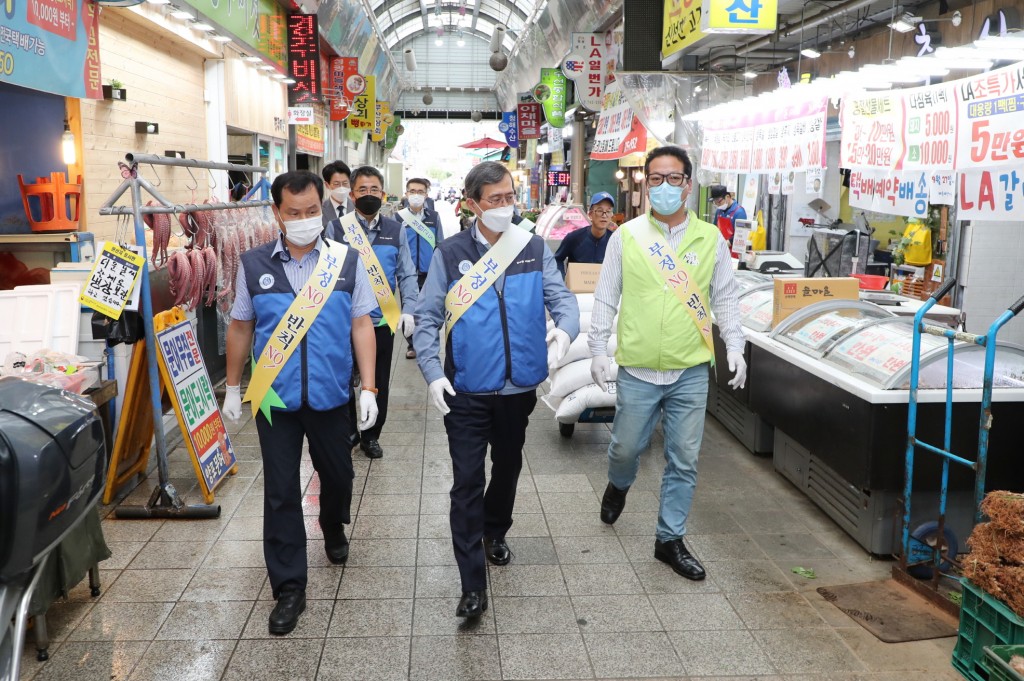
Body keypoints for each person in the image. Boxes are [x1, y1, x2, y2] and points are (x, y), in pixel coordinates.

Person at [413, 161, 579, 619]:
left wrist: (565, 328)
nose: (506, 207)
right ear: (472, 205)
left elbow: (560, 298)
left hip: (518, 386)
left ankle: (496, 529)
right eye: (495, 200)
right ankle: (471, 585)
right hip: (464, 389)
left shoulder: (532, 247)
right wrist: (432, 372)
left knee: (506, 465)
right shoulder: (448, 254)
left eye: (510, 197)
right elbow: (427, 317)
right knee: (467, 480)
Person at [221, 170, 379, 635]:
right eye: (295, 213)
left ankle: (332, 525)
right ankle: (289, 587)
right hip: (275, 401)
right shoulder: (252, 265)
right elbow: (240, 327)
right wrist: (233, 387)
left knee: (339, 476)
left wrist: (368, 386)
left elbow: (362, 325)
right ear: (277, 213)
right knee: (282, 492)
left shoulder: (346, 262)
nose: (306, 220)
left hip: (331, 396)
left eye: (313, 211)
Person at [589, 146, 746, 582]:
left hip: (690, 370)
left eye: (672, 178)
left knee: (684, 459)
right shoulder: (627, 236)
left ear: (688, 185)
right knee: (624, 449)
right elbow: (606, 295)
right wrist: (598, 349)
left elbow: (726, 298)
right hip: (638, 368)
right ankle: (619, 484)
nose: (662, 187)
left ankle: (669, 539)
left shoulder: (710, 238)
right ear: (645, 185)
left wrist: (735, 345)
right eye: (654, 179)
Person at [330, 165, 419, 459]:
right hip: (345, 320)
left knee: (379, 381)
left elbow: (406, 274)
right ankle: (346, 432)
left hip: (382, 320)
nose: (369, 195)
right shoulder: (338, 228)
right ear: (353, 195)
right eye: (362, 190)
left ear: (383, 194)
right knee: (342, 379)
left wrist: (410, 310)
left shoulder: (396, 230)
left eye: (374, 190)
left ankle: (371, 435)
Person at [396, 177, 443, 359]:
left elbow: (440, 243)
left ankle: (428, 342)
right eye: (412, 191)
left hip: (428, 271)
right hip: (407, 273)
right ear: (406, 194)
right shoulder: (398, 217)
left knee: (428, 309)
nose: (416, 195)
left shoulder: (434, 217)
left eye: (420, 192)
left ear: (426, 194)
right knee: (410, 309)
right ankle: (412, 345)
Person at [553, 191, 615, 276]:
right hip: (577, 288)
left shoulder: (614, 241)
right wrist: (562, 281)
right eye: (600, 211)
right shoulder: (574, 238)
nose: (604, 215)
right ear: (590, 215)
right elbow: (557, 259)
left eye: (608, 211)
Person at [321, 161, 354, 235]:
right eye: (336, 184)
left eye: (345, 183)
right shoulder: (320, 210)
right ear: (327, 185)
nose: (341, 187)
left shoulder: (358, 208)